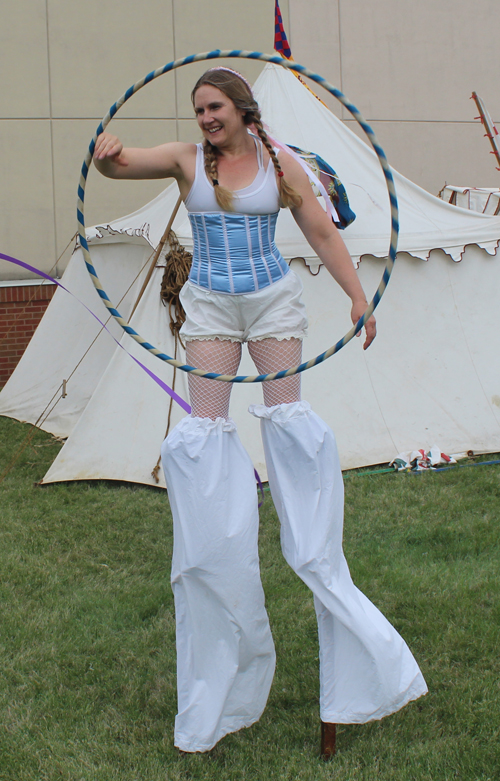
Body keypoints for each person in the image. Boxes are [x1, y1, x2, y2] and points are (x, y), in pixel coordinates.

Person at [93, 67, 427, 755]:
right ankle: (219, 610)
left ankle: (318, 562)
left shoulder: (283, 164)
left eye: (214, 107)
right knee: (205, 436)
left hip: (274, 303)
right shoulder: (188, 161)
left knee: (293, 433)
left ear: (242, 109)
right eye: (198, 110)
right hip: (212, 307)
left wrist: (358, 296)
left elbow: (325, 235)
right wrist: (108, 154)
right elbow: (125, 164)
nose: (204, 118)